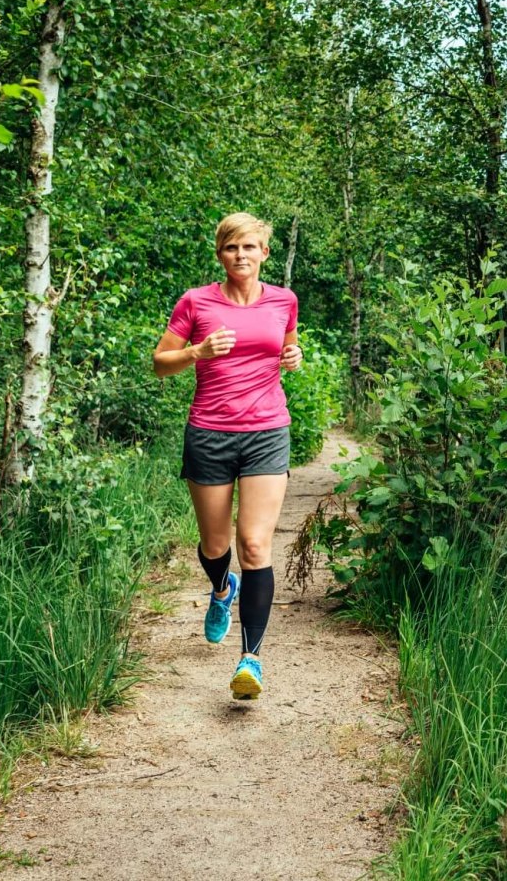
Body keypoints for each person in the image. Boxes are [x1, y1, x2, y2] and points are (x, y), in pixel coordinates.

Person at [152, 212, 302, 700]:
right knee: (216, 546)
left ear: (264, 253)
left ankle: (251, 660)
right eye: (231, 248)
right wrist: (198, 352)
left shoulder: (284, 300)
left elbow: (286, 344)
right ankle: (221, 590)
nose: (241, 255)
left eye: (250, 247)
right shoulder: (197, 302)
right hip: (210, 434)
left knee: (255, 544)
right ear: (220, 254)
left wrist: (293, 356)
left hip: (266, 430)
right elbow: (160, 363)